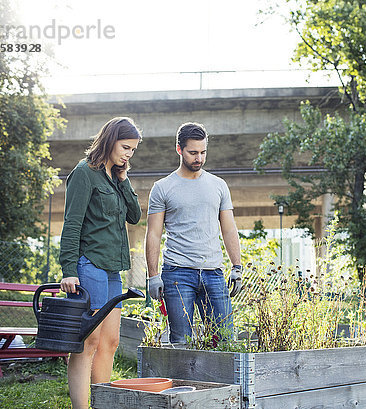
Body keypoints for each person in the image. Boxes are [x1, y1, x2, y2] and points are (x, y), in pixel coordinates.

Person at [59, 117, 142, 409]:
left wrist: (124, 178)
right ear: (110, 140)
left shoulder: (116, 177)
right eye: (125, 147)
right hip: (88, 265)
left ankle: (103, 403)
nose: (128, 154)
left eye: (132, 150)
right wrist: (69, 270)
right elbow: (71, 224)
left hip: (112, 270)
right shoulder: (84, 173)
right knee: (88, 342)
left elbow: (135, 216)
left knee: (111, 342)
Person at [145, 122, 242, 344]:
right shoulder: (162, 187)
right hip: (177, 274)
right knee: (181, 342)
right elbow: (153, 234)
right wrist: (152, 276)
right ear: (179, 150)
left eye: (203, 152)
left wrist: (236, 267)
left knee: (224, 341)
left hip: (214, 273)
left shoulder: (218, 185)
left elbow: (228, 228)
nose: (198, 158)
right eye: (193, 153)